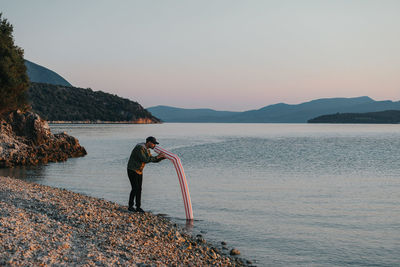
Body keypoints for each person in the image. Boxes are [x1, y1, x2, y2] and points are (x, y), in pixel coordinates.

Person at [127, 136, 165, 212]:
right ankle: (130, 206)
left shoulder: (147, 150)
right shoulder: (140, 148)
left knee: (139, 189)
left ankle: (138, 207)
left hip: (139, 171)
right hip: (132, 169)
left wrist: (162, 157)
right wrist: (158, 157)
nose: (154, 145)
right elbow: (145, 159)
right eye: (154, 143)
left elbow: (152, 159)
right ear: (149, 142)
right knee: (135, 188)